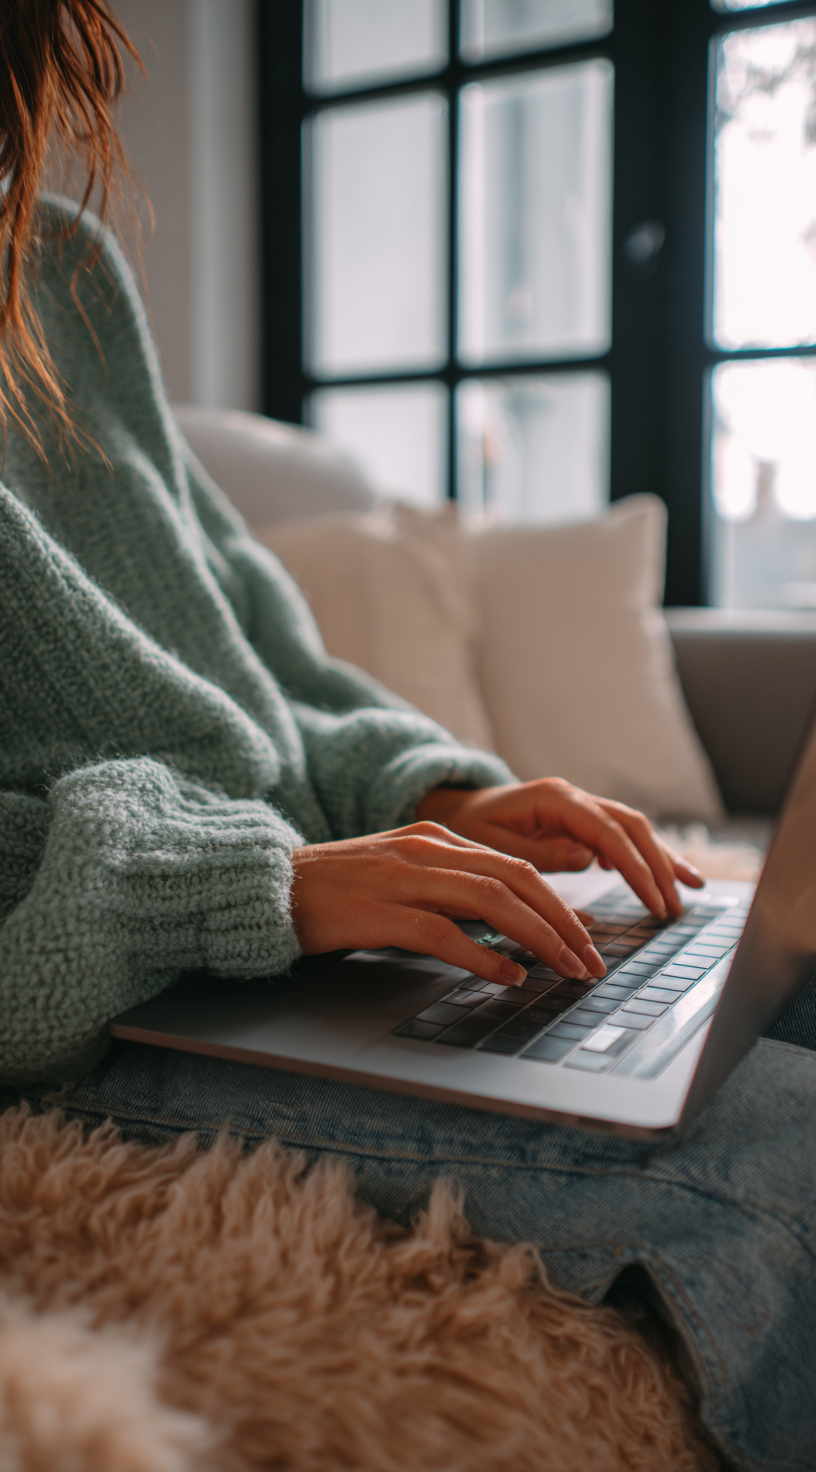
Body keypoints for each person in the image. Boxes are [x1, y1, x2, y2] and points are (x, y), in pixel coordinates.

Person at [0, 5, 813, 1467]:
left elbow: (258, 638)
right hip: (115, 988)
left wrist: (429, 788)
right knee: (792, 1150)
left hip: (286, 916)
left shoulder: (55, 260)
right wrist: (256, 886)